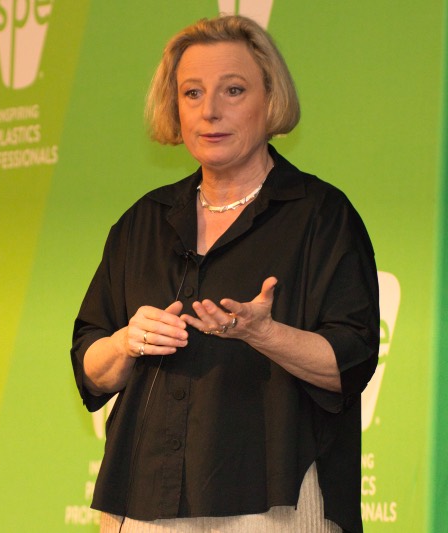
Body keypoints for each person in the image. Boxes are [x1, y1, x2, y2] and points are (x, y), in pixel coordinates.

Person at [71, 15, 379, 533]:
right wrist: (126, 341)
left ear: (270, 100)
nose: (210, 110)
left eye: (233, 90)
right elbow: (90, 367)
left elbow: (350, 363)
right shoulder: (142, 222)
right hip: (143, 502)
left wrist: (264, 333)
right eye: (192, 93)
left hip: (273, 503)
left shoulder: (321, 216)